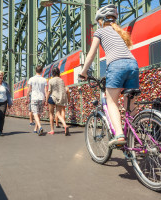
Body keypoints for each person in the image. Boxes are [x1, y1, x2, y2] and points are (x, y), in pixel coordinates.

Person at [80, 4, 139, 147]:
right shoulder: (119, 32)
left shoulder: (100, 32)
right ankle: (136, 135)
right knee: (130, 103)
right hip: (133, 64)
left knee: (112, 102)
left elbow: (91, 54)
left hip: (116, 65)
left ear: (100, 21)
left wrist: (83, 72)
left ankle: (119, 135)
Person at [46, 67, 70, 136]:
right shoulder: (61, 80)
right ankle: (65, 125)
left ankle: (52, 130)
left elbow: (49, 91)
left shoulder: (51, 80)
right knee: (58, 114)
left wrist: (46, 100)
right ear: (59, 72)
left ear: (52, 73)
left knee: (51, 114)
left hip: (53, 98)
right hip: (60, 98)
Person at [26, 65, 48, 136]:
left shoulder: (31, 79)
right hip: (42, 98)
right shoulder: (44, 79)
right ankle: (36, 129)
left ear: (35, 71)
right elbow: (46, 90)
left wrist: (27, 98)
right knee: (38, 114)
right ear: (42, 71)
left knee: (35, 113)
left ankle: (40, 127)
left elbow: (29, 90)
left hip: (34, 98)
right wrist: (46, 99)